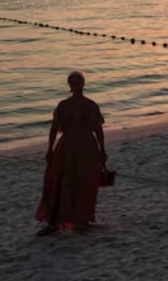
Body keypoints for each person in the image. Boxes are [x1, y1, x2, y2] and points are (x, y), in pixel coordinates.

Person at [35, 70, 106, 235]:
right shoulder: (89, 105)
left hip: (69, 146)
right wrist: (102, 150)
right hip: (84, 146)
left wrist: (50, 149)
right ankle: (80, 220)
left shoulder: (65, 105)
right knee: (80, 182)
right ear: (83, 84)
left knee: (64, 182)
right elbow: (98, 130)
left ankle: (65, 220)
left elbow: (54, 130)